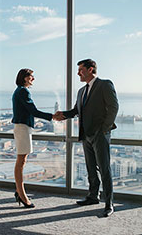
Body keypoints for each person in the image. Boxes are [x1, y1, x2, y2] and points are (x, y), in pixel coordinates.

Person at [57, 59, 119, 217]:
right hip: (86, 136)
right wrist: (61, 115)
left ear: (91, 69)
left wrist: (104, 129)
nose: (78, 73)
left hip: (100, 135)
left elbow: (113, 107)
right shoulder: (81, 91)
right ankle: (93, 196)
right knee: (91, 168)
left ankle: (109, 203)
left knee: (104, 170)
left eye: (80, 70)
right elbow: (75, 111)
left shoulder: (105, 84)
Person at [12, 68, 63, 208]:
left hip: (23, 128)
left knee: (22, 160)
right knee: (21, 162)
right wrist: (52, 116)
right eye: (31, 76)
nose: (33, 79)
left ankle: (18, 191)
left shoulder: (20, 91)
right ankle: (21, 194)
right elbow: (33, 111)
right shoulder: (23, 91)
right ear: (24, 78)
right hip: (22, 128)